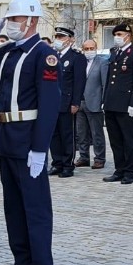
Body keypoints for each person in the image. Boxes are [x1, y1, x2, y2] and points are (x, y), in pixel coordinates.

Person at [0, 0, 60, 265]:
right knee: (13, 207)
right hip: (6, 135)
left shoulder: (45, 55)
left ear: (30, 21)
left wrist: (40, 148)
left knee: (36, 208)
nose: (9, 24)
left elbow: (50, 104)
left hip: (28, 138)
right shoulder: (9, 52)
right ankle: (22, 264)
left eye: (13, 19)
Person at [102, 23, 133, 184]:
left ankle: (129, 171)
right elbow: (109, 79)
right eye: (115, 34)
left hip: (126, 104)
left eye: (120, 34)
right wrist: (104, 100)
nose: (117, 37)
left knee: (129, 140)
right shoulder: (114, 53)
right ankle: (119, 169)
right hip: (111, 103)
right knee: (115, 140)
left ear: (128, 36)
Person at [47, 27, 86, 178]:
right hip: (52, 102)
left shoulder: (76, 57)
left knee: (67, 134)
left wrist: (75, 102)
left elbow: (79, 82)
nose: (58, 39)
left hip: (67, 101)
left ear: (70, 39)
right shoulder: (52, 56)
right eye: (57, 36)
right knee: (53, 135)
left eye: (62, 37)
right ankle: (57, 163)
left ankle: (67, 165)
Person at [75, 39, 108, 170]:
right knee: (81, 133)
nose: (89, 51)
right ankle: (84, 157)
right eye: (86, 49)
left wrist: (103, 101)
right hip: (80, 102)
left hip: (95, 102)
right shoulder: (80, 62)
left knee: (97, 133)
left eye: (91, 48)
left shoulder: (102, 62)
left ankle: (99, 158)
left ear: (96, 47)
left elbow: (104, 83)